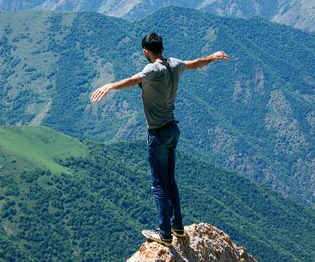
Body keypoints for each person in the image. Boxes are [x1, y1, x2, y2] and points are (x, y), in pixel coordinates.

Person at [90, 32, 229, 246]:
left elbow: (133, 80)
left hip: (158, 133)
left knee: (158, 184)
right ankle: (178, 226)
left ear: (146, 51)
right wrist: (212, 56)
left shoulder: (152, 69)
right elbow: (195, 64)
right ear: (161, 48)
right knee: (170, 180)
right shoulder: (174, 64)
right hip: (173, 129)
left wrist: (109, 86)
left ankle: (164, 233)